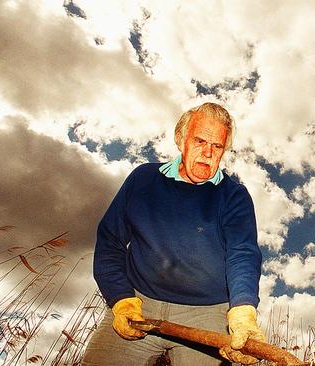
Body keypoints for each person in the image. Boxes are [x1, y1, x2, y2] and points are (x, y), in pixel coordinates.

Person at [82, 102, 264, 366]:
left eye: (217, 147)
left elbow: (243, 254)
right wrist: (121, 300)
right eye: (200, 141)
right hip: (140, 302)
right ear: (181, 139)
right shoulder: (143, 179)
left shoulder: (234, 195)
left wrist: (243, 310)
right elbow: (111, 241)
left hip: (207, 314)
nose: (207, 153)